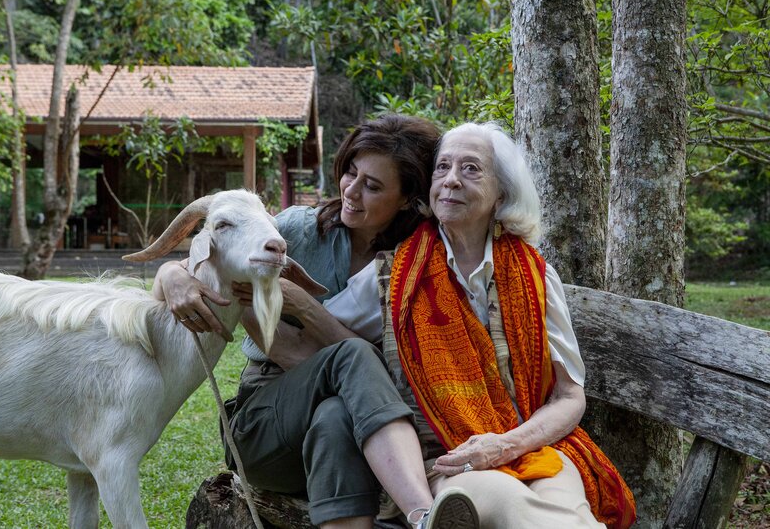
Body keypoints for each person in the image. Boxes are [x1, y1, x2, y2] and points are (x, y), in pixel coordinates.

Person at [153, 114, 480, 529]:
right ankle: (423, 513)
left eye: (373, 186)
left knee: (334, 414)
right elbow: (189, 267)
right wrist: (170, 275)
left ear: (406, 199)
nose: (351, 191)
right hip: (265, 429)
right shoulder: (294, 230)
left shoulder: (417, 261)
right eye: (350, 172)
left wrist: (302, 305)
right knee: (354, 355)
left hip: (359, 432)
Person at [371, 122, 637, 528]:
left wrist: (505, 445)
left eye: (471, 169)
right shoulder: (393, 278)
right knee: (512, 505)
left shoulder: (535, 277)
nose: (451, 180)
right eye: (442, 168)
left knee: (568, 510)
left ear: (502, 194)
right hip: (449, 462)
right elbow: (315, 326)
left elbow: (569, 396)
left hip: (534, 449)